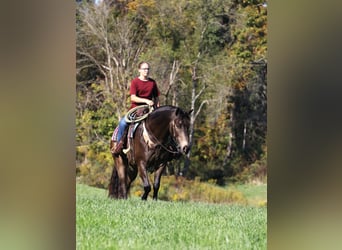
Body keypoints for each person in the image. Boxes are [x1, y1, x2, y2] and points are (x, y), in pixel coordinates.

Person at [111, 61, 160, 155]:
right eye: (144, 69)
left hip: (149, 109)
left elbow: (157, 98)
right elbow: (133, 97)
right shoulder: (135, 82)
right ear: (139, 70)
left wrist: (158, 109)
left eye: (148, 69)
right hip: (136, 109)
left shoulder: (152, 82)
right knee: (122, 123)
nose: (146, 71)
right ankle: (118, 145)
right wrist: (146, 101)